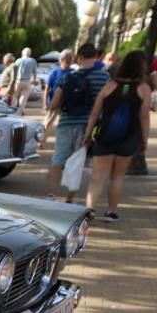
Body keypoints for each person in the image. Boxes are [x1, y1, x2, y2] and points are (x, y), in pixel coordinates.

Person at [83, 50, 152, 222]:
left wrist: (87, 134)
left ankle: (90, 209)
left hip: (104, 137)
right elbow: (144, 117)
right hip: (129, 139)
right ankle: (111, 212)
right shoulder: (144, 89)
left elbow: (94, 114)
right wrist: (144, 140)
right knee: (118, 176)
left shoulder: (109, 86)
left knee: (98, 176)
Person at [46, 43, 111, 201]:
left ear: (79, 57)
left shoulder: (68, 76)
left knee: (58, 159)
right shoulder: (104, 77)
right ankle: (69, 198)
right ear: (95, 57)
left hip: (66, 123)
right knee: (78, 162)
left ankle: (51, 195)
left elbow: (54, 104)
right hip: (87, 126)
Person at [43, 49, 75, 142]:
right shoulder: (54, 72)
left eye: (72, 58)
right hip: (54, 102)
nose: (71, 60)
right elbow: (47, 88)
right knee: (48, 122)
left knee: (65, 124)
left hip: (67, 103)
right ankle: (41, 139)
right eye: (69, 58)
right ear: (63, 59)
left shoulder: (73, 72)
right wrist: (45, 102)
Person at [12, 48, 38, 113]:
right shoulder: (33, 61)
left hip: (18, 80)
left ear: (22, 53)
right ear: (30, 53)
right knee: (23, 98)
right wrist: (34, 80)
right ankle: (20, 112)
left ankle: (12, 109)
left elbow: (14, 71)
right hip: (27, 81)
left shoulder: (18, 60)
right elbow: (35, 72)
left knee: (15, 96)